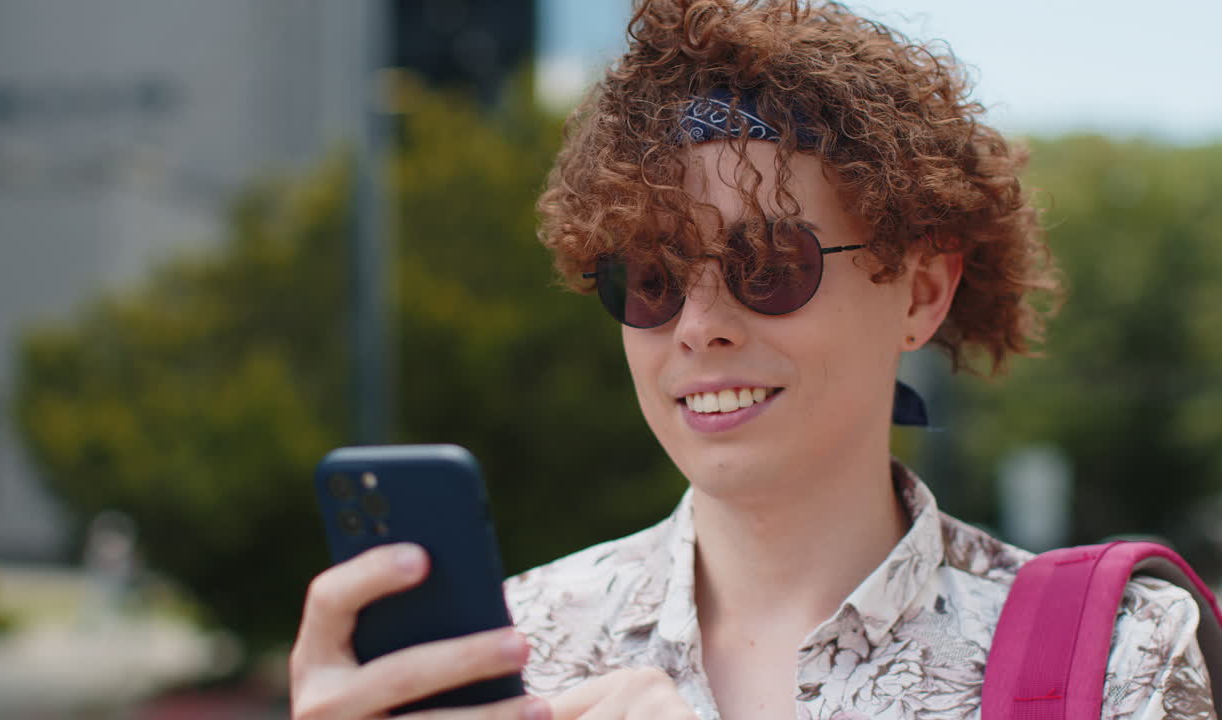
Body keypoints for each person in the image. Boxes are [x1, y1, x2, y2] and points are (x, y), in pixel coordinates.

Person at [289, 2, 1215, 719]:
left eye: (768, 266)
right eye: (650, 277)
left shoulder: (1117, 654)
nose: (698, 325)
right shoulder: (506, 648)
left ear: (923, 292)